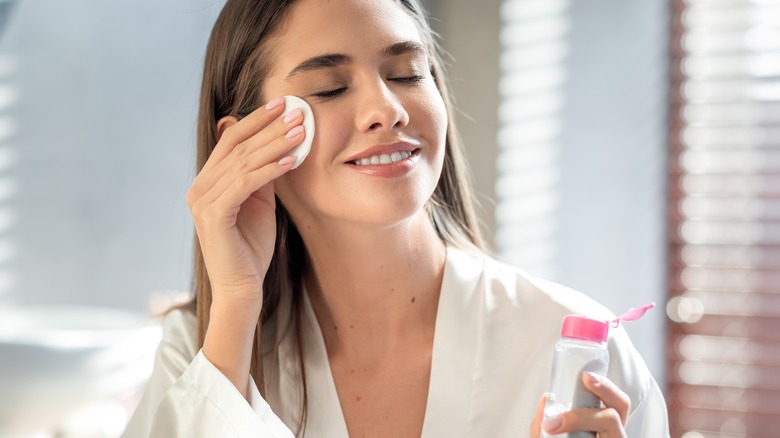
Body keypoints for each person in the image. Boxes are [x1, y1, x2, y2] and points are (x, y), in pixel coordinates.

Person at [122, 0, 670, 436]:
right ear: (245, 144)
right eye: (329, 88)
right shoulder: (200, 348)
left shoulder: (570, 352)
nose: (388, 109)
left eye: (407, 73)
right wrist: (236, 302)